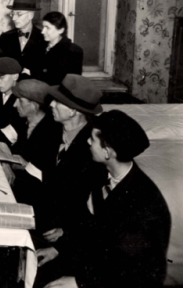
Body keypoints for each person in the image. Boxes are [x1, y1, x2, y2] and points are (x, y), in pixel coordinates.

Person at [37, 110, 171, 288]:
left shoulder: (144, 205)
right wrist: (58, 249)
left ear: (108, 152)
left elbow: (134, 272)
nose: (87, 142)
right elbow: (94, 227)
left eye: (92, 139)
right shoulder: (105, 175)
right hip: (101, 267)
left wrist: (79, 283)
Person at [38, 74, 104, 236]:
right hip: (42, 210)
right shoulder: (53, 128)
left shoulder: (95, 147)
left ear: (73, 111)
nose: (51, 104)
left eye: (58, 102)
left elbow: (94, 207)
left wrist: (67, 231)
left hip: (69, 228)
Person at [7, 80, 62, 207]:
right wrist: (6, 164)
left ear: (34, 105)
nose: (15, 105)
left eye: (20, 101)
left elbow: (46, 176)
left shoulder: (52, 131)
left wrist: (24, 165)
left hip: (36, 198)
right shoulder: (23, 122)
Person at [0, 0, 44, 76]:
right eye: (13, 14)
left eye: (19, 14)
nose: (14, 18)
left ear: (31, 15)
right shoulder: (5, 38)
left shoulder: (43, 38)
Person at [33, 11, 83, 85]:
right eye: (43, 27)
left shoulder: (73, 51)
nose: (43, 31)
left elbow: (70, 83)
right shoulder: (38, 46)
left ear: (61, 30)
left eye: (47, 28)